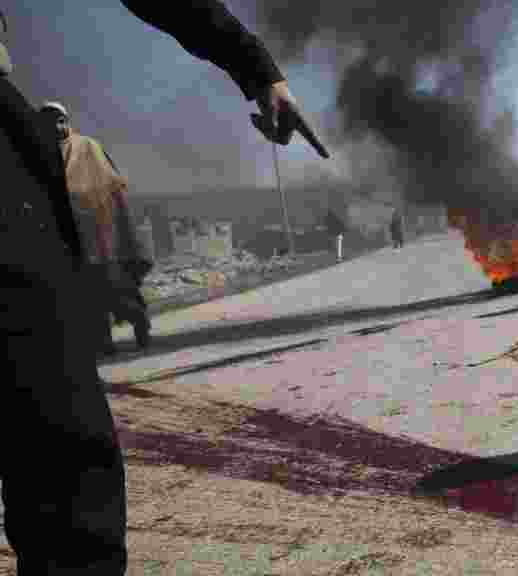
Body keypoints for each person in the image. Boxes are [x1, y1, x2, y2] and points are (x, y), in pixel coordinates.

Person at [0, 2, 327, 573]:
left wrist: (253, 65)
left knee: (59, 448)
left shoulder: (78, 161)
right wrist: (254, 66)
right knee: (61, 450)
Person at [39, 101, 152, 355]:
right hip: (72, 232)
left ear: (67, 121)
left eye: (60, 121)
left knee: (116, 287)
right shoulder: (44, 153)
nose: (57, 127)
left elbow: (112, 184)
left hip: (102, 229)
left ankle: (139, 321)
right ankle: (104, 341)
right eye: (50, 123)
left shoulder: (88, 146)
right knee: (88, 294)